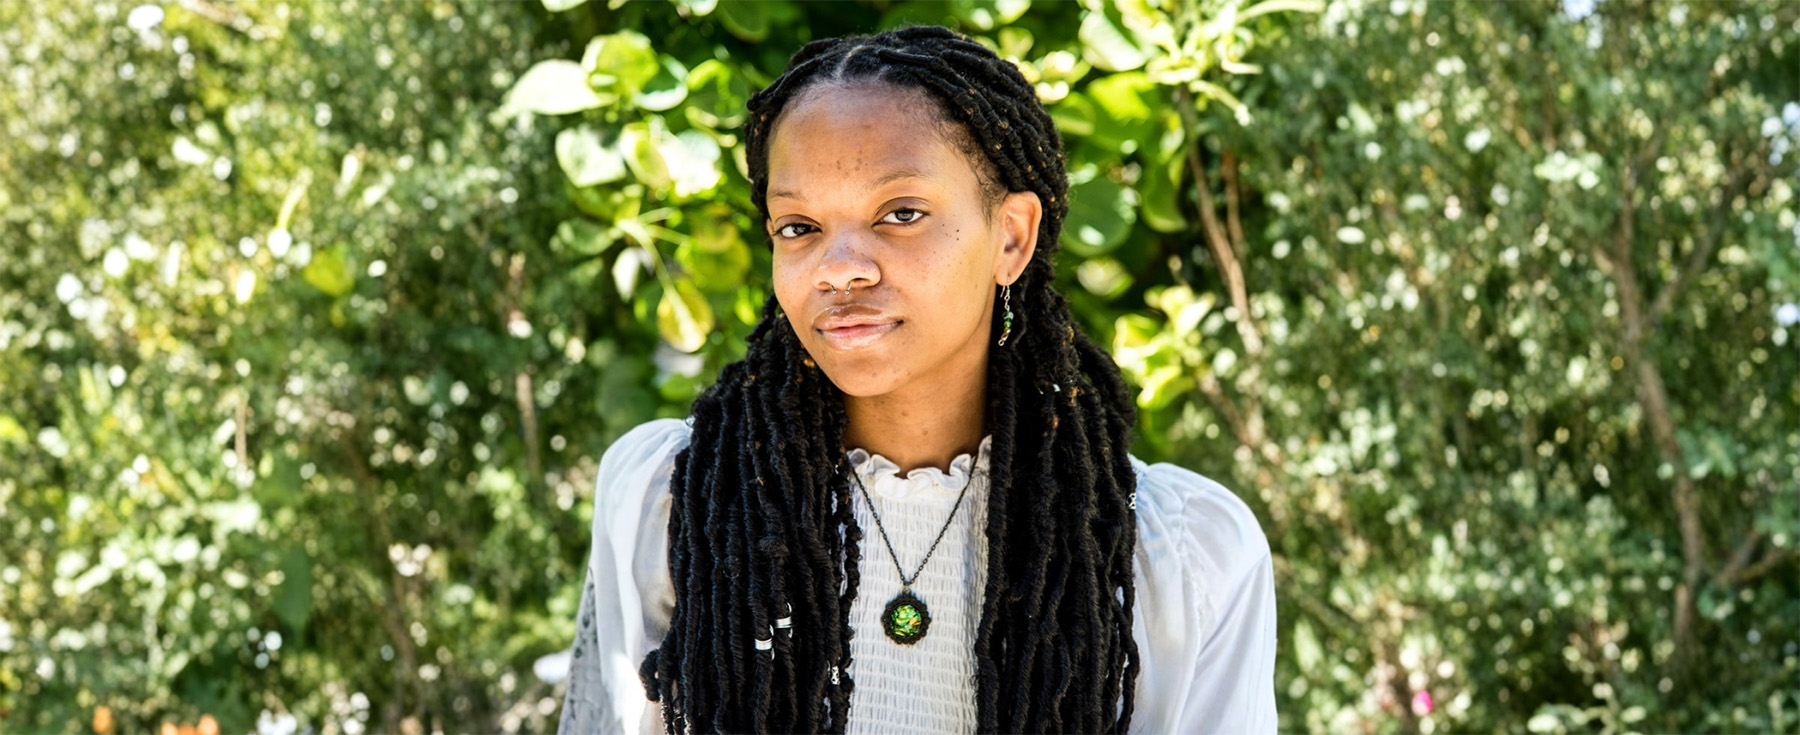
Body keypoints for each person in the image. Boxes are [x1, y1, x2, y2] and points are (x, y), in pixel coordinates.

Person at [558, 25, 1277, 734]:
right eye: (798, 227)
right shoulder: (676, 506)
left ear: (1011, 237)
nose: (839, 266)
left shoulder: (1178, 557)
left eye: (900, 213)